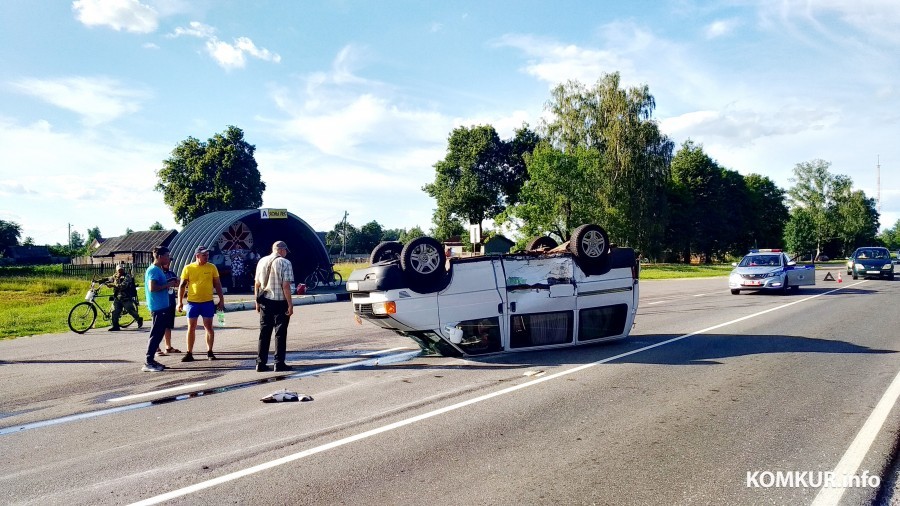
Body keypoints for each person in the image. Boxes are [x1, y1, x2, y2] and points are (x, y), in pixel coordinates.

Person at [177, 245, 225, 362]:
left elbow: (217, 284)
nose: (206, 257)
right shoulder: (188, 268)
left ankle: (210, 351)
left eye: (207, 255)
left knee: (208, 327)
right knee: (191, 327)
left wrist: (221, 299)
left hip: (207, 302)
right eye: (204, 255)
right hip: (193, 303)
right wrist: (179, 302)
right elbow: (182, 286)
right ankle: (189, 353)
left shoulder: (212, 267)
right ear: (197, 255)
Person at [254, 240, 294, 372]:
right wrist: (290, 304)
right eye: (286, 251)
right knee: (280, 333)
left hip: (265, 301)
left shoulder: (262, 261)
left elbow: (257, 284)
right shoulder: (285, 263)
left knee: (264, 332)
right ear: (281, 250)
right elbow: (286, 286)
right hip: (280, 302)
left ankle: (260, 363)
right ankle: (279, 362)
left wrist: (257, 302)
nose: (286, 253)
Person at [143, 247, 179, 372]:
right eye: (167, 255)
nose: (168, 258)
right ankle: (148, 361)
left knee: (159, 334)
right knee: (155, 334)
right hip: (158, 307)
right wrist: (167, 285)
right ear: (159, 256)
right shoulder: (153, 270)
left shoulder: (158, 269)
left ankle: (151, 360)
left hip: (162, 307)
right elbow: (152, 287)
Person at [156, 257, 181, 357]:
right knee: (159, 326)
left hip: (170, 302)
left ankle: (168, 347)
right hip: (161, 303)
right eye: (167, 261)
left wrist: (177, 282)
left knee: (168, 326)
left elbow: (178, 283)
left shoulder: (171, 273)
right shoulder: (157, 273)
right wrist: (169, 284)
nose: (168, 263)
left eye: (169, 262)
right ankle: (156, 347)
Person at [107, 264, 143, 331]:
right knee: (114, 311)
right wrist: (99, 281)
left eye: (121, 270)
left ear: (123, 269)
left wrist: (113, 286)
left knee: (130, 310)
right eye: (119, 270)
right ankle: (116, 326)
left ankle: (139, 319)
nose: (120, 271)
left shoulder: (127, 276)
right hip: (117, 297)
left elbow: (123, 286)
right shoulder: (115, 276)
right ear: (116, 270)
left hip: (126, 297)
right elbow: (108, 279)